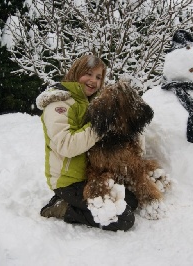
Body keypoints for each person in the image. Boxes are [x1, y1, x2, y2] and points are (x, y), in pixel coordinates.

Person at [35, 54, 138, 231]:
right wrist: (100, 126)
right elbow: (66, 145)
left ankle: (70, 202)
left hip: (90, 178)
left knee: (131, 201)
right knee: (124, 218)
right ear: (76, 72)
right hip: (68, 182)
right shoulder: (59, 104)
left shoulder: (89, 103)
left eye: (99, 77)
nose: (93, 81)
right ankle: (63, 208)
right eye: (88, 74)